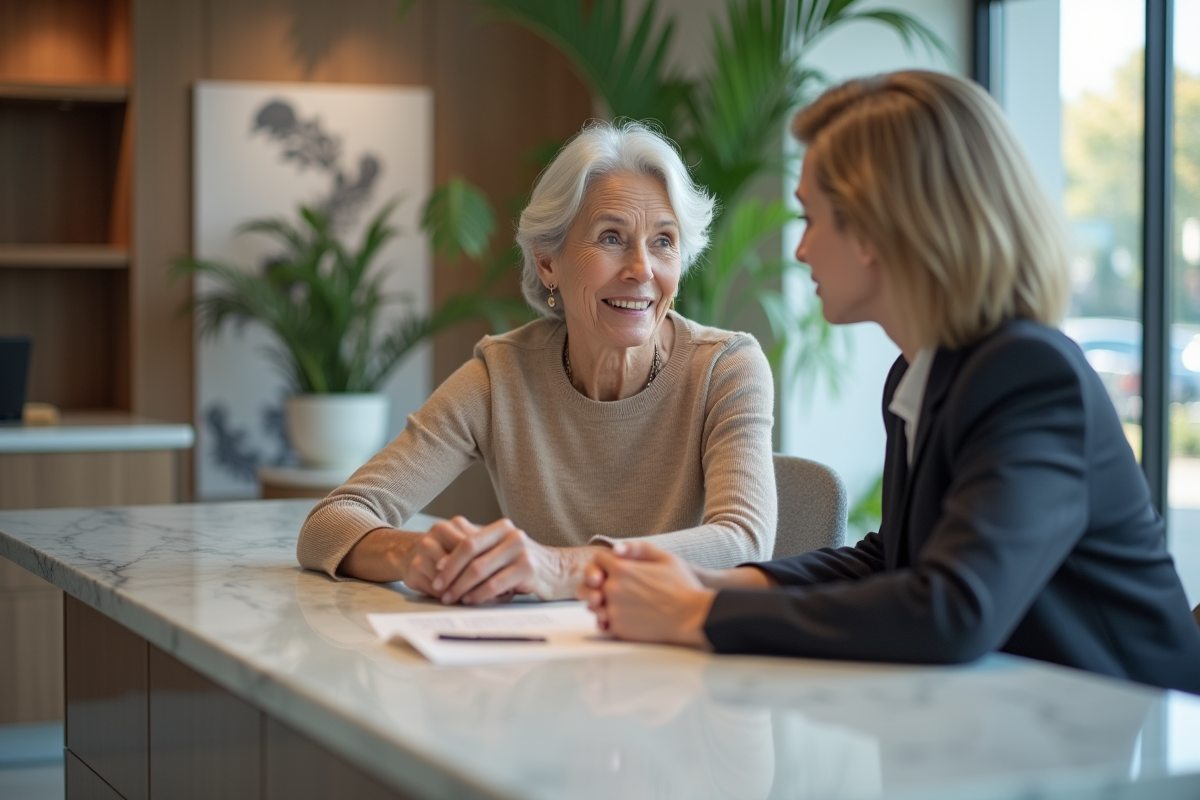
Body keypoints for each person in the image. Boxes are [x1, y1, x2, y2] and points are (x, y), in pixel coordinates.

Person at [578, 71, 1200, 694]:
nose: (800, 249)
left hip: (1137, 742)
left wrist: (699, 615)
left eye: (811, 217)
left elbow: (952, 610)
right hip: (1017, 729)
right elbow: (890, 560)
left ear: (877, 230)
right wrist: (707, 584)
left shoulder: (1031, 377)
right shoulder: (921, 373)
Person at [297, 121, 777, 605]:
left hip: (676, 657)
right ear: (548, 262)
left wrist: (562, 567)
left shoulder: (726, 368)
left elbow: (742, 541)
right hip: (539, 661)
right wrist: (411, 552)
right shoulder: (501, 376)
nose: (642, 269)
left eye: (664, 241)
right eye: (611, 237)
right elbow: (331, 522)